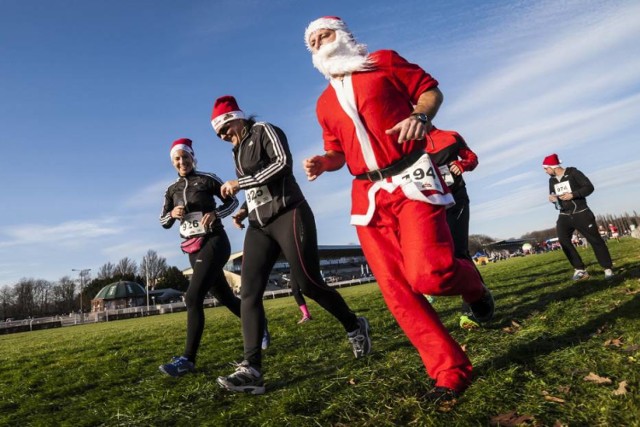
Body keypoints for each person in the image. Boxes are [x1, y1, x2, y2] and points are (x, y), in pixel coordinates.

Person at [302, 16, 495, 405]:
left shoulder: (383, 62)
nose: (320, 42)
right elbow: (339, 151)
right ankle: (449, 371)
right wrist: (325, 161)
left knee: (431, 274)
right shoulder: (323, 104)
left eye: (324, 34)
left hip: (411, 178)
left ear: (343, 35)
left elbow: (430, 91)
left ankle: (472, 286)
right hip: (367, 196)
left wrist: (420, 116)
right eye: (312, 41)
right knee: (396, 290)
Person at [210, 95, 371, 395]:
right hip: (260, 225)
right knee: (248, 291)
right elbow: (257, 186)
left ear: (237, 118)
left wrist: (241, 184)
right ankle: (252, 368)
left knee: (309, 284)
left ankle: (354, 326)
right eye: (217, 133)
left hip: (289, 213)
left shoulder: (263, 130)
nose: (222, 136)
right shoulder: (237, 151)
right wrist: (244, 209)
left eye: (224, 128)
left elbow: (282, 164)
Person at [158, 138, 269, 377]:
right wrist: (172, 214)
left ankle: (188, 359)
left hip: (215, 242)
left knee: (192, 297)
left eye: (185, 157)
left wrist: (215, 213)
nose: (182, 161)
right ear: (173, 163)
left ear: (192, 158)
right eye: (177, 159)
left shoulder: (207, 179)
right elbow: (163, 221)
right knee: (226, 297)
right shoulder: (171, 190)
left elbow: (233, 200)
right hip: (192, 248)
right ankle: (259, 325)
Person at [543, 153, 615, 280]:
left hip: (581, 212)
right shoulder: (551, 180)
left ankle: (607, 268)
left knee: (595, 240)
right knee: (563, 240)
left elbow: (589, 187)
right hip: (564, 214)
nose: (545, 171)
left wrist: (573, 195)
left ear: (553, 166)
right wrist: (552, 198)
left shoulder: (573, 173)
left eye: (546, 168)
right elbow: (553, 194)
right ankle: (580, 269)